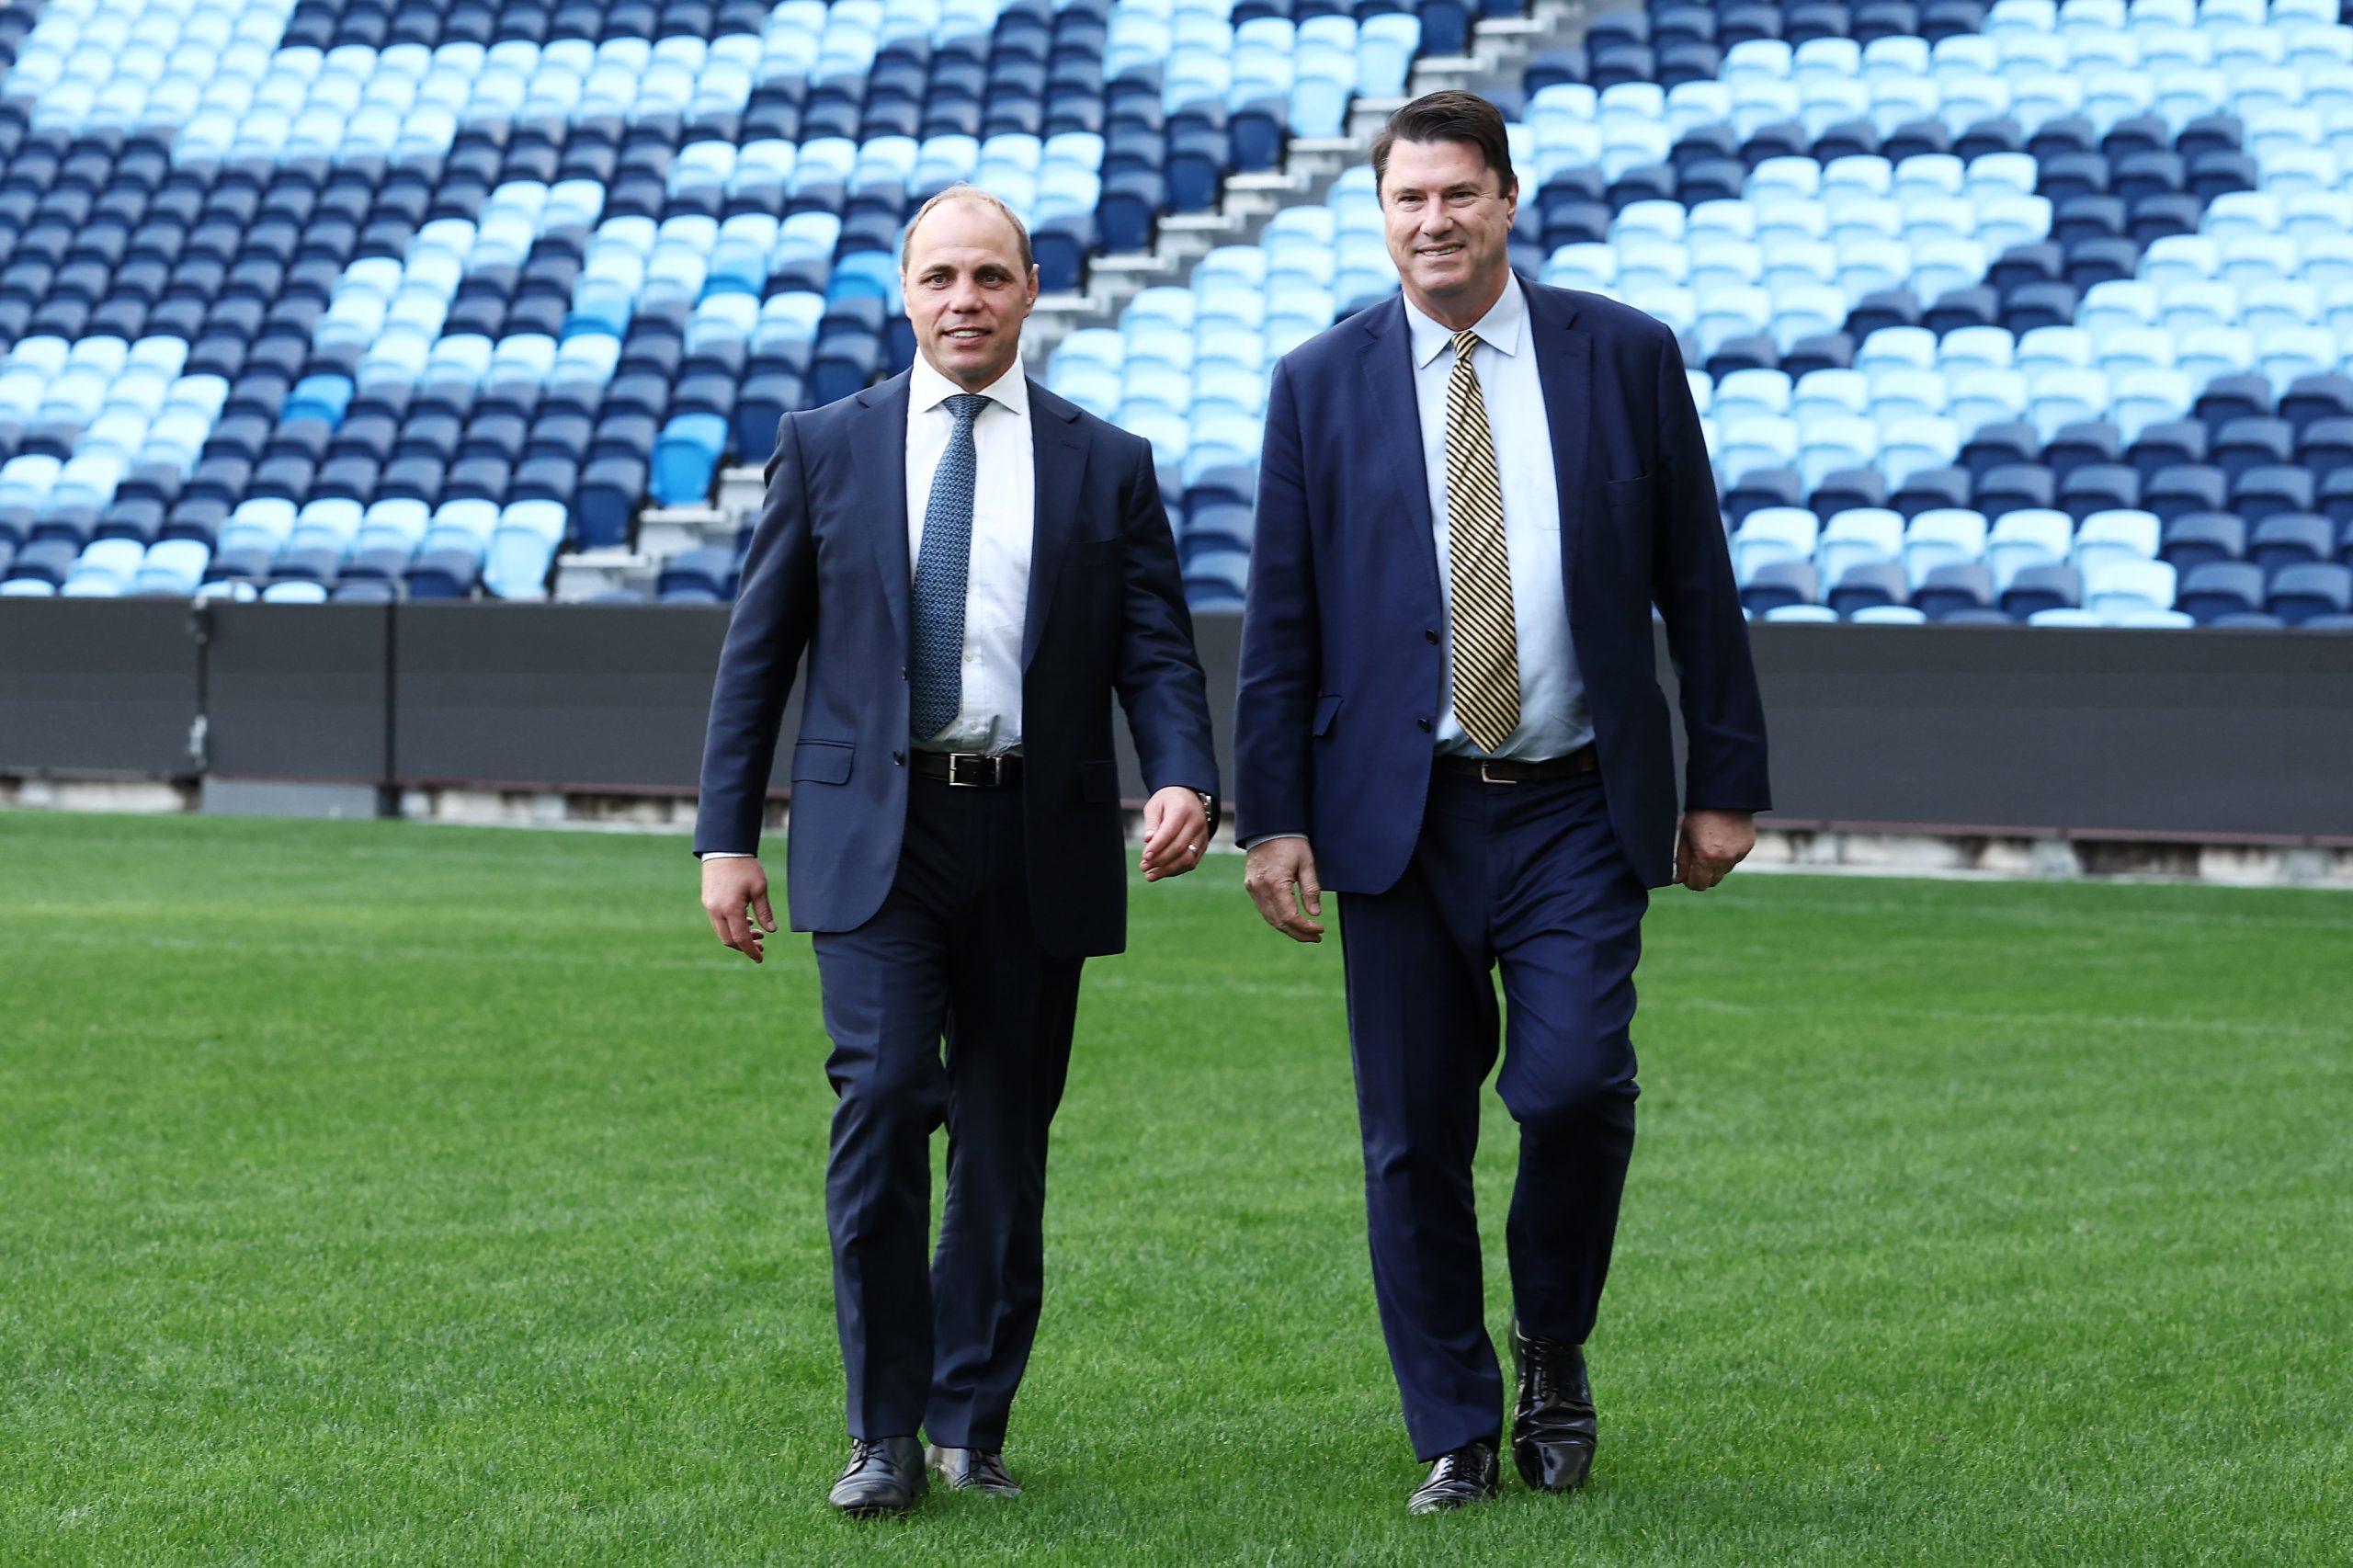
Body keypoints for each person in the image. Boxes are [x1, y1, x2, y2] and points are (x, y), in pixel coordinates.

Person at [1233, 92, 1771, 1514]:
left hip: (1574, 805)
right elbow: (1279, 623)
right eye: (1409, 200)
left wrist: (1726, 781)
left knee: (1577, 1084)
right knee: (1412, 1131)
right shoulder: (1319, 380)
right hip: (1393, 815)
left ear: (1508, 200)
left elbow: (1697, 586)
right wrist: (1269, 814)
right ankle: (1455, 1424)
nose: (1434, 222)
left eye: (1458, 194)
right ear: (1383, 214)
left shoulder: (1627, 357)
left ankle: (1554, 1342)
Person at [696, 186, 1221, 1517]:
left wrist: (1185, 775)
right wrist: (724, 835)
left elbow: (1156, 646)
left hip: (1037, 833)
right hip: (877, 834)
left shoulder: (1108, 462)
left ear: (1032, 287)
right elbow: (758, 654)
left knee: (1001, 1139)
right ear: (905, 291)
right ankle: (880, 1427)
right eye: (940, 278)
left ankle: (967, 1420)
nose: (964, 300)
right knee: (879, 1099)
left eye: (990, 275)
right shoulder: (826, 445)